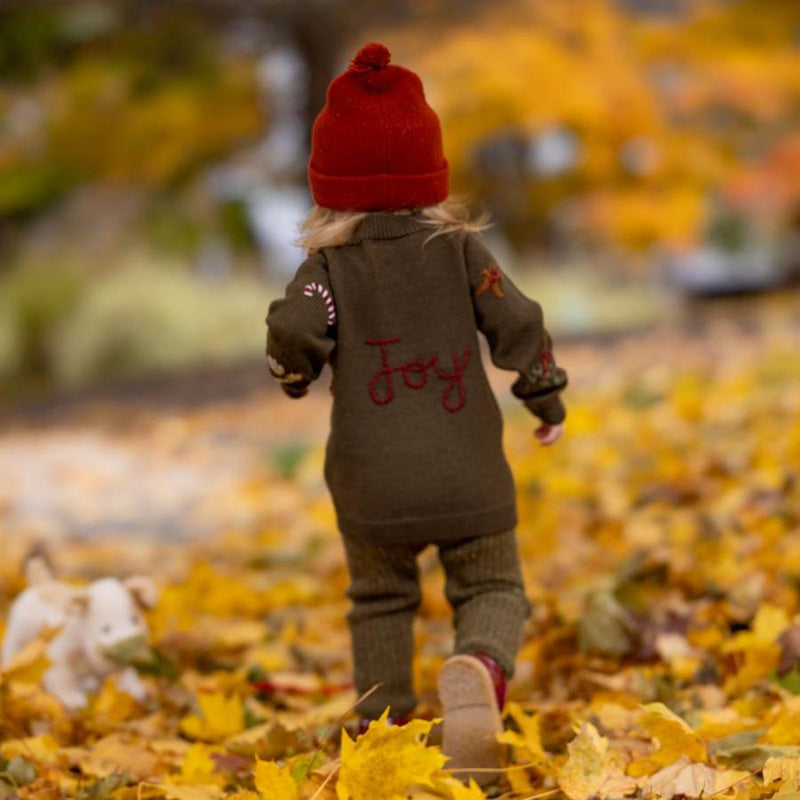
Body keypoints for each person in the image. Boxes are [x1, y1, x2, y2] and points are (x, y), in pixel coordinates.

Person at [265, 42, 567, 786]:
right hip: (467, 473)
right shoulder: (458, 250)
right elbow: (516, 319)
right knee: (493, 587)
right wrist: (544, 393)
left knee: (379, 600)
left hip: (371, 481)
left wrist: (297, 374)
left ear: (328, 183)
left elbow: (297, 329)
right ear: (430, 173)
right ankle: (479, 666)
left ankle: (382, 737)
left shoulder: (326, 267)